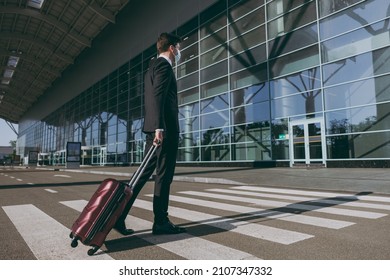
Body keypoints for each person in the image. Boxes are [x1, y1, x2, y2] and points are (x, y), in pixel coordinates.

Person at [114, 32, 186, 235]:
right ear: (172, 48)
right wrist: (160, 128)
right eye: (178, 48)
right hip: (164, 132)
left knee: (143, 174)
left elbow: (153, 98)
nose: (179, 52)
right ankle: (160, 222)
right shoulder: (164, 66)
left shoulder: (152, 67)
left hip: (155, 130)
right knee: (163, 177)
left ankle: (118, 216)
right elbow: (158, 97)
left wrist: (155, 127)